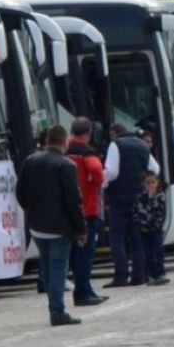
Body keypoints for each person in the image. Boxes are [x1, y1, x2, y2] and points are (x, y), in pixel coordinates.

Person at [17, 124, 85, 328]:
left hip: (37, 224)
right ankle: (57, 311)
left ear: (47, 141)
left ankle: (53, 304)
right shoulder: (66, 165)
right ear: (65, 142)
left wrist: (30, 211)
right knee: (58, 268)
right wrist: (80, 228)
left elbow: (20, 192)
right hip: (60, 227)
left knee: (46, 266)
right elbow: (73, 201)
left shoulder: (30, 160)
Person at [102, 122, 159, 288]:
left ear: (114, 134)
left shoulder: (116, 145)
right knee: (136, 237)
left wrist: (101, 183)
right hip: (138, 197)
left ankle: (121, 275)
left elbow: (112, 172)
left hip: (119, 198)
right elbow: (155, 168)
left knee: (117, 237)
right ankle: (138, 275)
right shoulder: (142, 144)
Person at [65, 119, 107, 308]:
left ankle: (86, 289)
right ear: (89, 133)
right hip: (89, 208)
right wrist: (97, 181)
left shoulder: (66, 151)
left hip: (71, 208)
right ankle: (83, 292)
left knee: (76, 253)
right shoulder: (87, 152)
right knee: (85, 254)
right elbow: (96, 170)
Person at [132, 172, 171, 287]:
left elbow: (159, 211)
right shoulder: (139, 198)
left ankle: (160, 273)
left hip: (156, 228)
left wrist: (151, 198)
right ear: (143, 184)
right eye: (148, 183)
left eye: (153, 182)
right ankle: (149, 275)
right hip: (143, 230)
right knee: (147, 252)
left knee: (157, 250)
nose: (150, 185)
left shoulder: (161, 196)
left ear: (157, 182)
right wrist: (139, 224)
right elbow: (136, 213)